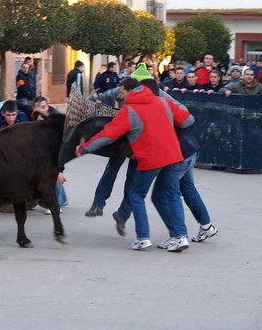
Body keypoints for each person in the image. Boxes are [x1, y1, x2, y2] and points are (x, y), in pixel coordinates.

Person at [76, 83, 194, 250]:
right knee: (173, 195)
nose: (121, 95)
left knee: (136, 195)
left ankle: (143, 238)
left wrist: (84, 147)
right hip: (173, 155)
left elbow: (107, 135)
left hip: (150, 158)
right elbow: (188, 119)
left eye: (122, 92)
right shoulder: (162, 101)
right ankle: (180, 236)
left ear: (131, 91)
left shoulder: (129, 110)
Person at [141, 79, 218, 250]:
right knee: (188, 189)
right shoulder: (167, 102)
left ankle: (178, 236)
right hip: (190, 149)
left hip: (177, 156)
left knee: (163, 196)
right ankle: (206, 226)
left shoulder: (152, 107)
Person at [84, 77, 140, 217]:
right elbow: (98, 98)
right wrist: (98, 110)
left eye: (122, 92)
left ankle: (117, 212)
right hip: (123, 139)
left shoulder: (154, 95)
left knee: (129, 177)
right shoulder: (120, 92)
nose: (120, 95)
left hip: (137, 143)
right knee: (115, 171)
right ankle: (100, 204)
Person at [31, 96, 68, 215]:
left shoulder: (56, 122)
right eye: (38, 108)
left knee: (52, 171)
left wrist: (60, 170)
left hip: (60, 151)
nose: (41, 110)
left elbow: (61, 149)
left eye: (43, 107)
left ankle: (57, 204)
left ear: (48, 106)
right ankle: (63, 199)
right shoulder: (36, 117)